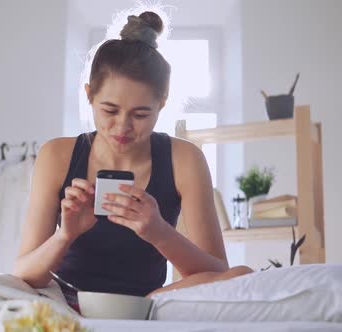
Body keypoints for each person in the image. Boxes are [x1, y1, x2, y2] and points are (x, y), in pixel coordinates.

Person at [13, 10, 252, 309]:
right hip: (66, 304)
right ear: (89, 95)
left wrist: (159, 232)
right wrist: (65, 235)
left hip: (147, 305)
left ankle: (148, 307)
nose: (123, 128)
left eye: (141, 115)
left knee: (243, 275)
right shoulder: (57, 155)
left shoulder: (184, 159)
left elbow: (219, 275)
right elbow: (24, 274)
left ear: (162, 103)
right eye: (110, 111)